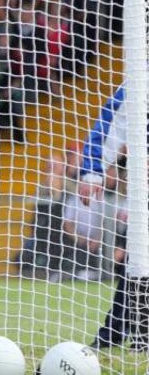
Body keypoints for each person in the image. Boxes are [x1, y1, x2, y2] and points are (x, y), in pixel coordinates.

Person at [77, 85, 146, 349]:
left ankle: (122, 334)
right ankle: (125, 334)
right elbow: (111, 123)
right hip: (143, 198)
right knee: (138, 262)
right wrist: (93, 171)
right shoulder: (141, 82)